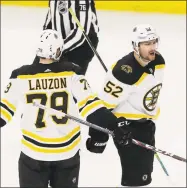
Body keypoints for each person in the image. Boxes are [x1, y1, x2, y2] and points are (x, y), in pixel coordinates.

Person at [0, 29, 131, 188]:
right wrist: (115, 124)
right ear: (58, 51)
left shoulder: (20, 76)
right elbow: (92, 107)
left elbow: (3, 113)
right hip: (66, 154)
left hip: (33, 154)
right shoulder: (72, 72)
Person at [86, 24, 165, 186]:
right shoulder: (124, 72)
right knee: (136, 181)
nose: (152, 48)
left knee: (144, 177)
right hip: (128, 129)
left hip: (146, 125)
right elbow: (103, 106)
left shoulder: (159, 61)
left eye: (154, 42)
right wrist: (98, 137)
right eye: (147, 44)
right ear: (136, 46)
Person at [33, 0, 99, 75]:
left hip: (82, 45)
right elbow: (49, 22)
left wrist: (57, 50)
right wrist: (46, 46)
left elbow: (80, 34)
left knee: (69, 80)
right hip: (56, 45)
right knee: (35, 76)